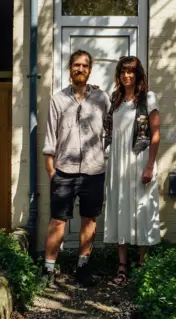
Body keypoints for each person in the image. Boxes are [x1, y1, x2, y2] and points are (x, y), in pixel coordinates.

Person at [41, 50, 111, 287]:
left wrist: (105, 154)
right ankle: (48, 270)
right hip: (64, 171)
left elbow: (111, 129)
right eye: (76, 65)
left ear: (90, 70)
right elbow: (50, 137)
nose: (80, 69)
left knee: (89, 220)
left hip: (94, 171)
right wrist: (51, 171)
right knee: (58, 221)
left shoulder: (102, 98)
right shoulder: (58, 99)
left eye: (84, 65)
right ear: (69, 68)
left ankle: (83, 268)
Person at [103, 56, 161, 284]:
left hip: (140, 160)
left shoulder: (148, 99)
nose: (127, 75)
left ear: (138, 75)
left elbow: (155, 134)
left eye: (131, 72)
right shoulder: (115, 99)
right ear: (119, 75)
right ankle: (121, 265)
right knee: (120, 207)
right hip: (118, 162)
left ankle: (142, 262)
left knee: (142, 208)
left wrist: (150, 165)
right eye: (123, 72)